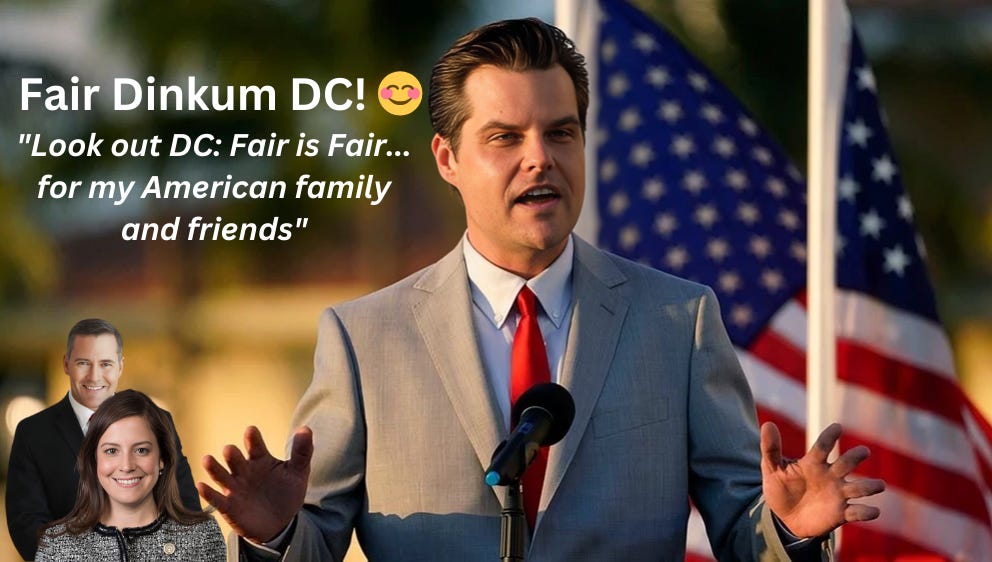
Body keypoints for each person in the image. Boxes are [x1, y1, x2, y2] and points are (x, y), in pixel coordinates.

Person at [200, 18, 885, 561]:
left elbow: (745, 533)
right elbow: (314, 543)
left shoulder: (679, 321)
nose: (541, 157)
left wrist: (789, 532)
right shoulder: (363, 339)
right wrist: (276, 536)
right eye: (505, 137)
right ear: (448, 158)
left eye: (561, 132)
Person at [6, 318, 201, 561]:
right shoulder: (33, 432)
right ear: (67, 364)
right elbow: (25, 521)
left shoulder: (159, 421)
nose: (94, 376)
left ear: (120, 366)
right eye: (83, 363)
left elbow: (185, 509)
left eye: (105, 364)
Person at [35, 389, 226, 561]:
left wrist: (256, 537)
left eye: (141, 450)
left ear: (162, 458)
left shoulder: (200, 535)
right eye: (111, 451)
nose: (126, 466)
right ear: (94, 461)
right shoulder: (57, 546)